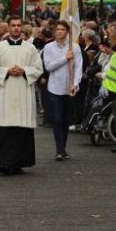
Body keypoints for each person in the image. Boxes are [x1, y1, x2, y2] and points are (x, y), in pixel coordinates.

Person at [0, 16, 44, 175]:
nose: (16, 28)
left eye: (19, 26)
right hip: (6, 91)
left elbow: (38, 68)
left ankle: (19, 162)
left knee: (21, 128)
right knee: (5, 128)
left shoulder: (30, 48)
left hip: (23, 90)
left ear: (22, 28)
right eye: (13, 25)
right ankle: (4, 163)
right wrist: (7, 71)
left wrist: (25, 71)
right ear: (8, 28)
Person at [42, 20, 82, 161]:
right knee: (57, 118)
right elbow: (49, 66)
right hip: (54, 88)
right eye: (57, 29)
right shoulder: (49, 48)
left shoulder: (75, 47)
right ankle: (59, 149)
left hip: (68, 88)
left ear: (67, 32)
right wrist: (65, 58)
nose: (59, 32)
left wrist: (75, 83)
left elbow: (78, 67)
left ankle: (63, 148)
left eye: (62, 29)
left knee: (65, 119)